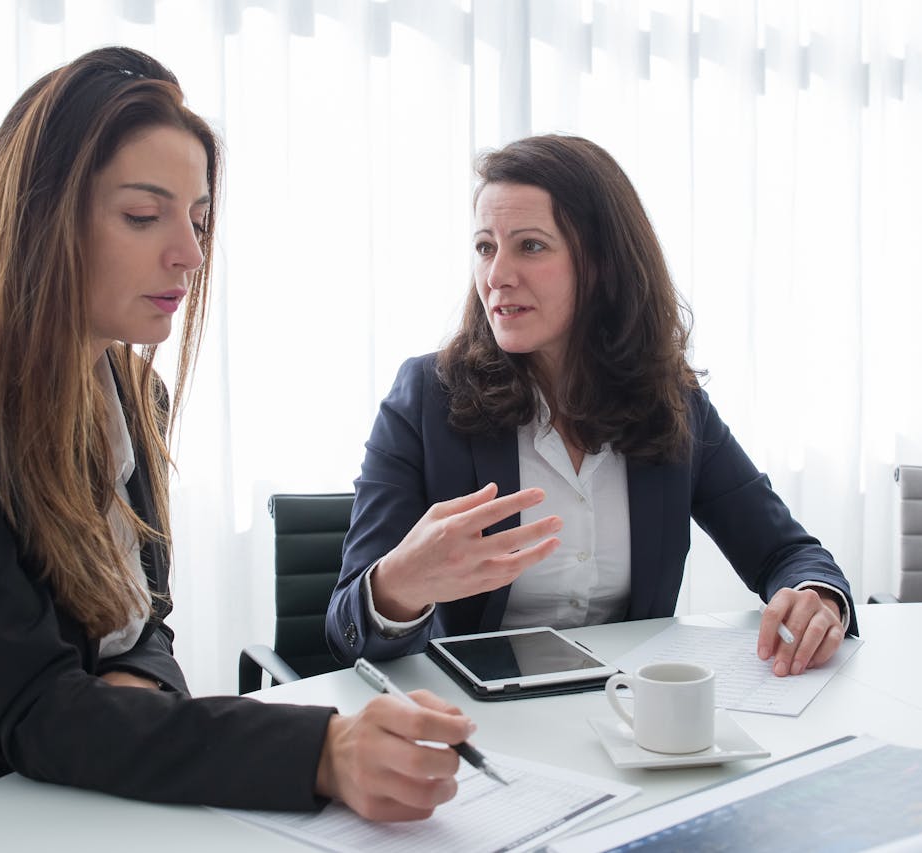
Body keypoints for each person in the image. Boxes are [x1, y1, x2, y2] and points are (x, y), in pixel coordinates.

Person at [0, 47, 471, 853]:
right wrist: (323, 749)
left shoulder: (129, 391)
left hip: (72, 806)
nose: (190, 256)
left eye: (196, 220)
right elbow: (32, 704)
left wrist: (134, 688)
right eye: (142, 215)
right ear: (41, 215)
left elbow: (140, 622)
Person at [326, 134, 858, 677]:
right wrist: (398, 585)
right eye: (485, 247)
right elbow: (346, 630)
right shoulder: (424, 396)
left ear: (602, 262)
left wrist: (818, 597)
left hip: (632, 716)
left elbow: (786, 552)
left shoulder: (674, 403)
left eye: (530, 246)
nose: (496, 275)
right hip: (478, 719)